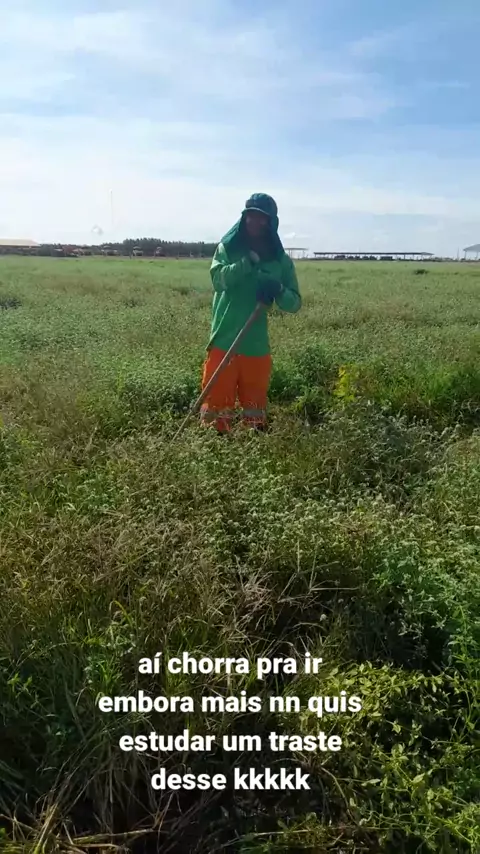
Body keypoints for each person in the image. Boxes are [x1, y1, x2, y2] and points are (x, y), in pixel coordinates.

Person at [200, 193, 302, 433]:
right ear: (244, 217)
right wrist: (246, 263)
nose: (255, 222)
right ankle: (215, 440)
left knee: (255, 409)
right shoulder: (228, 249)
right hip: (224, 339)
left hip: (255, 345)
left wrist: (278, 289)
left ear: (271, 222)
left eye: (261, 218)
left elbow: (295, 303)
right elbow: (218, 280)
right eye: (251, 216)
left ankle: (255, 437)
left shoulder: (280, 261)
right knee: (216, 408)